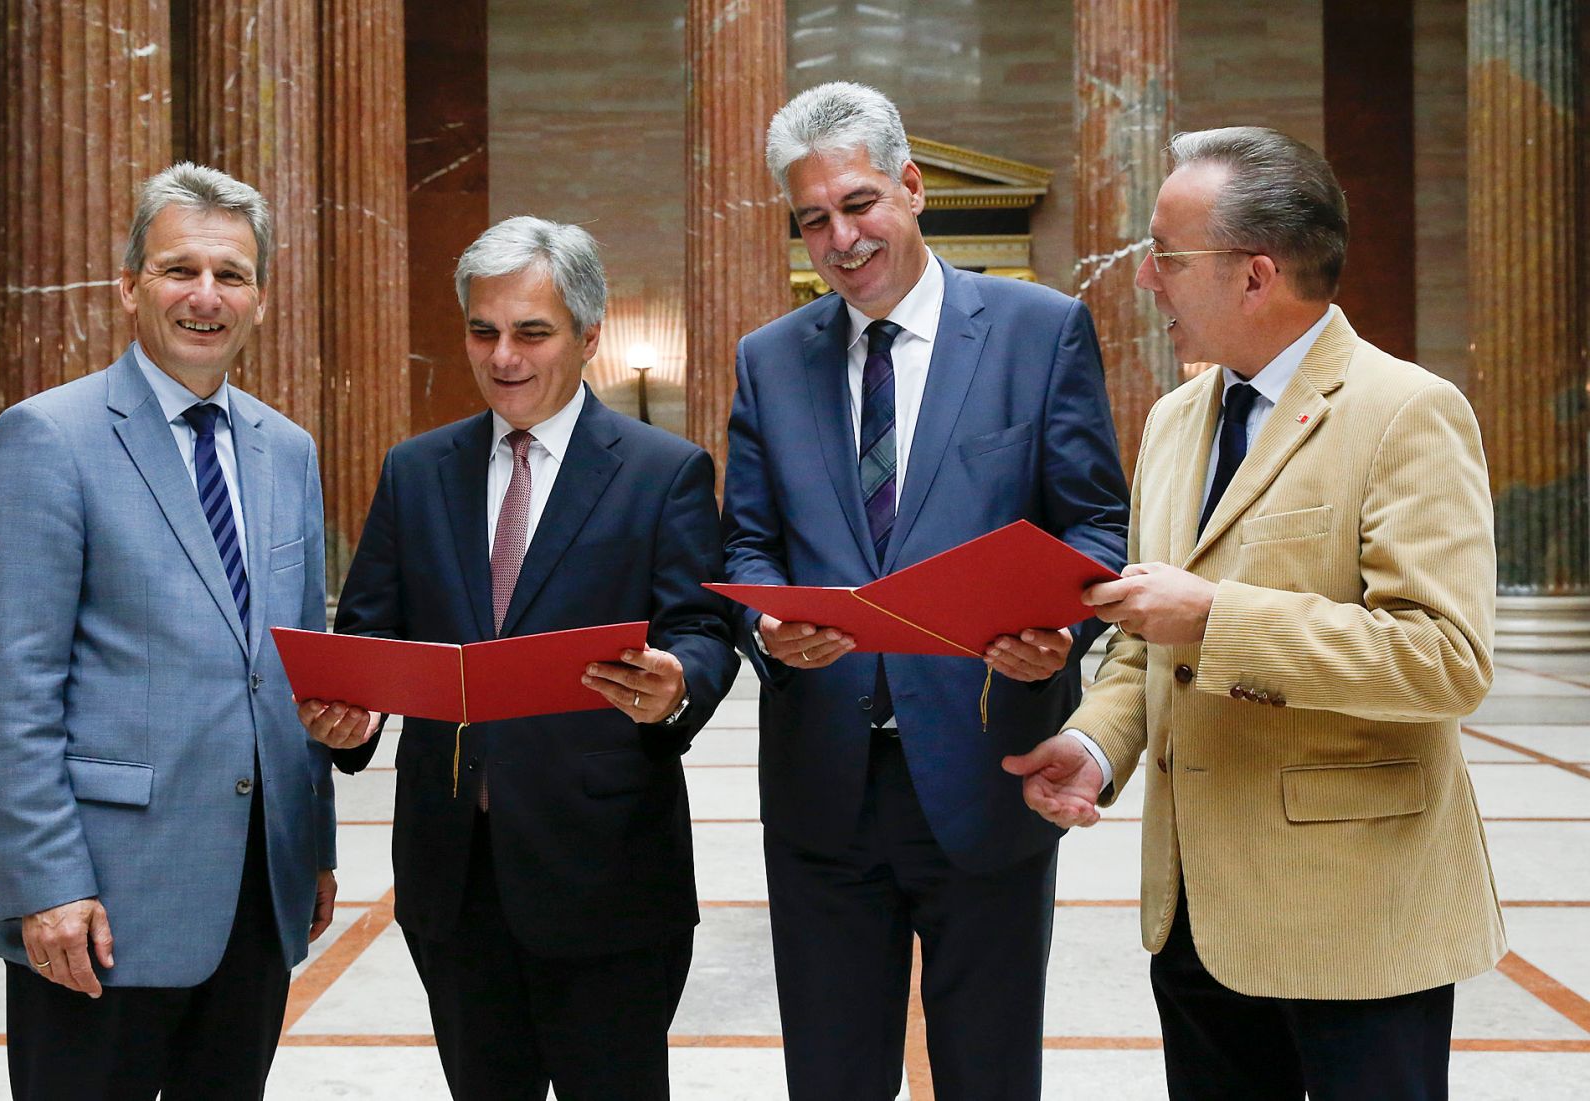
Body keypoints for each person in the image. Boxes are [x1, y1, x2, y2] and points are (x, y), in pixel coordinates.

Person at [1004, 126, 1503, 1101]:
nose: (1143, 279)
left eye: (1165, 257)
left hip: (1358, 917)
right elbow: (1147, 645)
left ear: (1254, 275)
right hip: (1196, 916)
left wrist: (1218, 617)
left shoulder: (1405, 412)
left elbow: (1444, 658)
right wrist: (1094, 747)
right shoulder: (1173, 420)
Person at [720, 81, 1130, 1097]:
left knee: (988, 1074)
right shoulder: (768, 361)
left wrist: (1058, 629)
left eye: (856, 203)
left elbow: (1093, 525)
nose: (839, 236)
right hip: (821, 786)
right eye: (811, 218)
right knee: (830, 1075)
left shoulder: (1041, 331)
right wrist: (768, 619)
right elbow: (747, 544)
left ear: (910, 187)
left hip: (988, 767)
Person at [302, 216, 738, 1100]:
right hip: (451, 876)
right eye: (483, 330)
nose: (503, 356)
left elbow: (703, 630)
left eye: (531, 332)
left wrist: (678, 685)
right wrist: (346, 716)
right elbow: (369, 640)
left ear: (588, 334)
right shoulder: (416, 471)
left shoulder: (665, 471)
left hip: (609, 872)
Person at [0, 162, 336, 1099]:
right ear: (128, 285)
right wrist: (44, 882)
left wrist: (312, 844)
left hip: (256, 891)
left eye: (232, 273)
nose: (206, 295)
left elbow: (294, 671)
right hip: (100, 905)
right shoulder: (47, 438)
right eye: (180, 269)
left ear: (260, 297)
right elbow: (9, 691)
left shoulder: (287, 450)